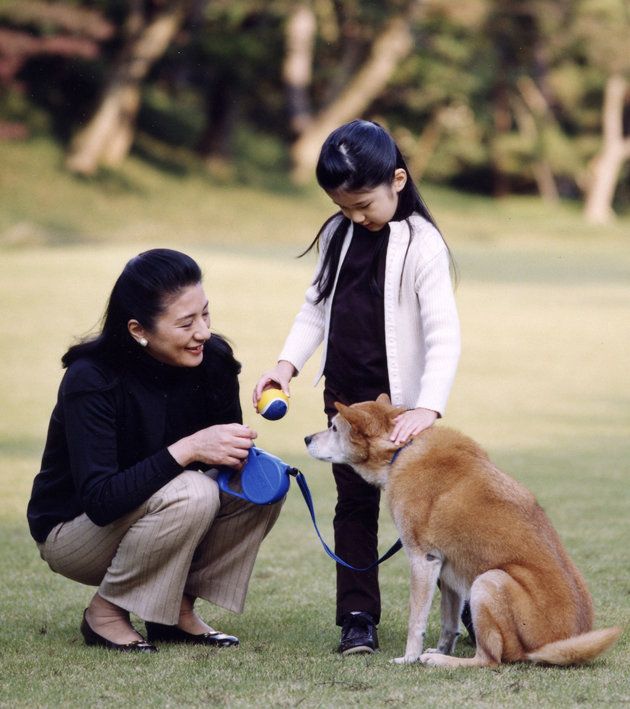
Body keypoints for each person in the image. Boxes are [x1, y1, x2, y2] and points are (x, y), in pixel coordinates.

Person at [253, 119, 461, 656]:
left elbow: (444, 336)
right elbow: (314, 309)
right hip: (346, 399)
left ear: (397, 179)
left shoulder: (423, 245)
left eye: (363, 204)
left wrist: (429, 409)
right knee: (352, 507)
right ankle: (357, 617)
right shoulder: (337, 235)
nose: (355, 216)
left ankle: (461, 615)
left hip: (401, 412)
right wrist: (285, 365)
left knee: (432, 513)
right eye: (343, 207)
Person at [27, 248, 282, 653]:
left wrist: (237, 454)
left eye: (205, 314)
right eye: (186, 323)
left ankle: (176, 612)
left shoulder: (212, 360)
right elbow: (101, 501)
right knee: (192, 492)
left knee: (260, 484)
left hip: (161, 512)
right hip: (75, 531)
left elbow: (223, 462)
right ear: (137, 329)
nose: (202, 332)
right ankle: (105, 614)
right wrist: (189, 448)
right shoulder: (90, 379)